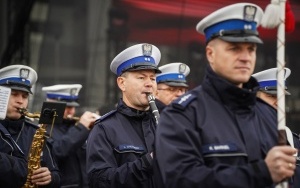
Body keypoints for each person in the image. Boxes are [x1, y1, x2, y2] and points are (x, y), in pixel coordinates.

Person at [154, 3, 297, 188]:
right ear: (210, 54)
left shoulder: (269, 115)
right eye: (235, 48)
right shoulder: (182, 116)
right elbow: (181, 181)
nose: (246, 57)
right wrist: (261, 172)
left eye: (251, 49)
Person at [86, 43, 161, 188]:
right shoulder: (104, 128)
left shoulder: (167, 124)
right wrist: (147, 162)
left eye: (153, 78)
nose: (149, 84)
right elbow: (99, 182)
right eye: (141, 78)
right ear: (122, 83)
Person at [0, 64, 60, 187]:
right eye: (14, 94)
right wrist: (25, 169)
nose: (20, 101)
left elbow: (56, 176)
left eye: (25, 96)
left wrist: (50, 178)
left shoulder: (35, 131)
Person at [253, 67, 300, 187]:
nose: (279, 102)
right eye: (272, 96)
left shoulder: (290, 138)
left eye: (281, 97)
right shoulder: (243, 135)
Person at [43, 84, 97, 188]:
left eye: (73, 107)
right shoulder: (44, 129)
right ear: (52, 105)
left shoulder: (75, 128)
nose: (71, 112)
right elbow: (57, 151)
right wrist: (81, 128)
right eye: (67, 107)